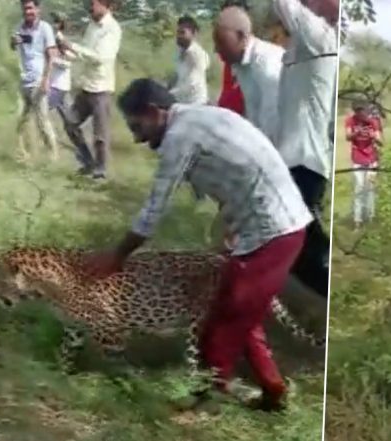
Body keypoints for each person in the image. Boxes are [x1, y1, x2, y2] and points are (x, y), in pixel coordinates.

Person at [83, 78, 313, 411]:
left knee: (222, 321)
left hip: (274, 230)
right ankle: (273, 391)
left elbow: (153, 210)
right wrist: (232, 224)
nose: (136, 138)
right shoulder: (197, 117)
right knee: (242, 315)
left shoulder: (180, 136)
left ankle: (208, 400)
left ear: (154, 112)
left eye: (137, 126)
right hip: (270, 225)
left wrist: (116, 257)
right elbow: (235, 171)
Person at [272, 0, 338, 298]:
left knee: (298, 252)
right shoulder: (300, 46)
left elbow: (286, 6)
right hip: (295, 164)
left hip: (304, 165)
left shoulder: (320, 36)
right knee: (300, 247)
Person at [56, 0, 121, 181]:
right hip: (86, 86)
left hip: (102, 89)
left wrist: (72, 46)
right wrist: (65, 50)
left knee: (100, 136)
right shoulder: (92, 26)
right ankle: (87, 162)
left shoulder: (112, 29)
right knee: (70, 123)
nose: (90, 7)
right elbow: (82, 54)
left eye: (93, 3)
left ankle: (100, 173)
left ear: (104, 4)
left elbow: (100, 57)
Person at [213, 6, 283, 143]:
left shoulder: (266, 66)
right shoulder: (241, 65)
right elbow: (253, 115)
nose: (216, 49)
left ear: (240, 36)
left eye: (221, 42)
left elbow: (273, 127)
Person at [11, 0, 60, 162]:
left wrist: (46, 79)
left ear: (38, 9)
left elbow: (51, 56)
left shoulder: (45, 28)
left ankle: (52, 156)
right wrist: (13, 43)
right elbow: (15, 47)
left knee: (42, 120)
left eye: (31, 8)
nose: (28, 11)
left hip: (38, 80)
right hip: (24, 80)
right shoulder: (19, 27)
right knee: (21, 120)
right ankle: (24, 155)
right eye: (25, 8)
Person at [345, 100, 382, 230]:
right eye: (357, 111)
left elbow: (380, 141)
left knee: (370, 188)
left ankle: (370, 219)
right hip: (357, 160)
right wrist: (357, 132)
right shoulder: (351, 121)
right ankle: (357, 221)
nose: (360, 113)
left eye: (362, 110)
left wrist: (373, 136)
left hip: (372, 160)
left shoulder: (373, 122)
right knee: (359, 188)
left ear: (366, 111)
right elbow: (348, 136)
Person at [169, 15, 210, 105]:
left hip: (196, 104)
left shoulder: (198, 55)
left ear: (194, 33)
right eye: (178, 32)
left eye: (183, 32)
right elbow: (177, 76)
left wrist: (169, 94)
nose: (179, 36)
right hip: (181, 102)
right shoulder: (179, 52)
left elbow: (192, 83)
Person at [47, 13, 72, 117]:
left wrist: (52, 59)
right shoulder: (51, 37)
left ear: (62, 24)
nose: (54, 24)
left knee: (40, 108)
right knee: (69, 120)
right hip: (55, 84)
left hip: (59, 85)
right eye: (53, 22)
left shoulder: (60, 39)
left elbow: (68, 61)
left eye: (56, 22)